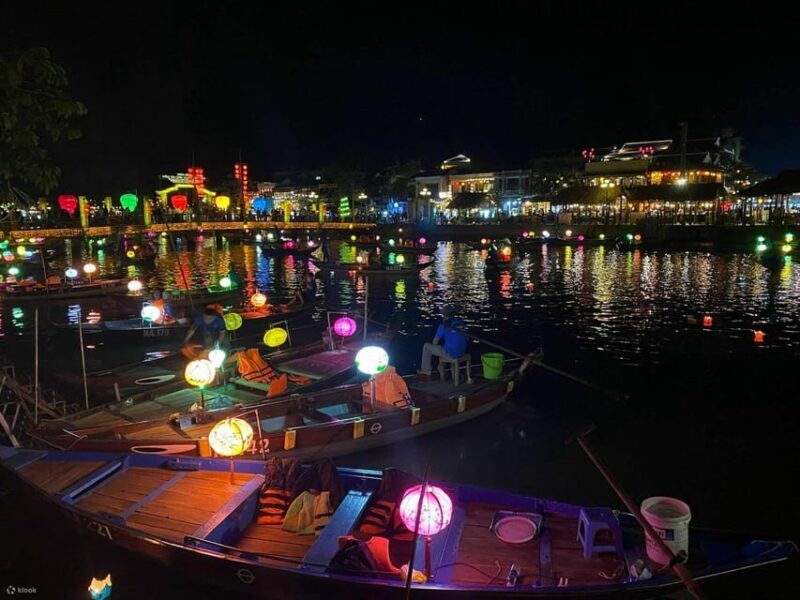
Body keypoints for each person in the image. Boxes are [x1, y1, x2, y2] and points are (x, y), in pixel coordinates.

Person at [417, 307, 467, 375]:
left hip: (452, 354)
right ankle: (440, 367)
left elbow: (435, 342)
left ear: (444, 316)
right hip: (462, 352)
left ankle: (426, 370)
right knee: (446, 347)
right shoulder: (461, 323)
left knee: (426, 346)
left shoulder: (443, 325)